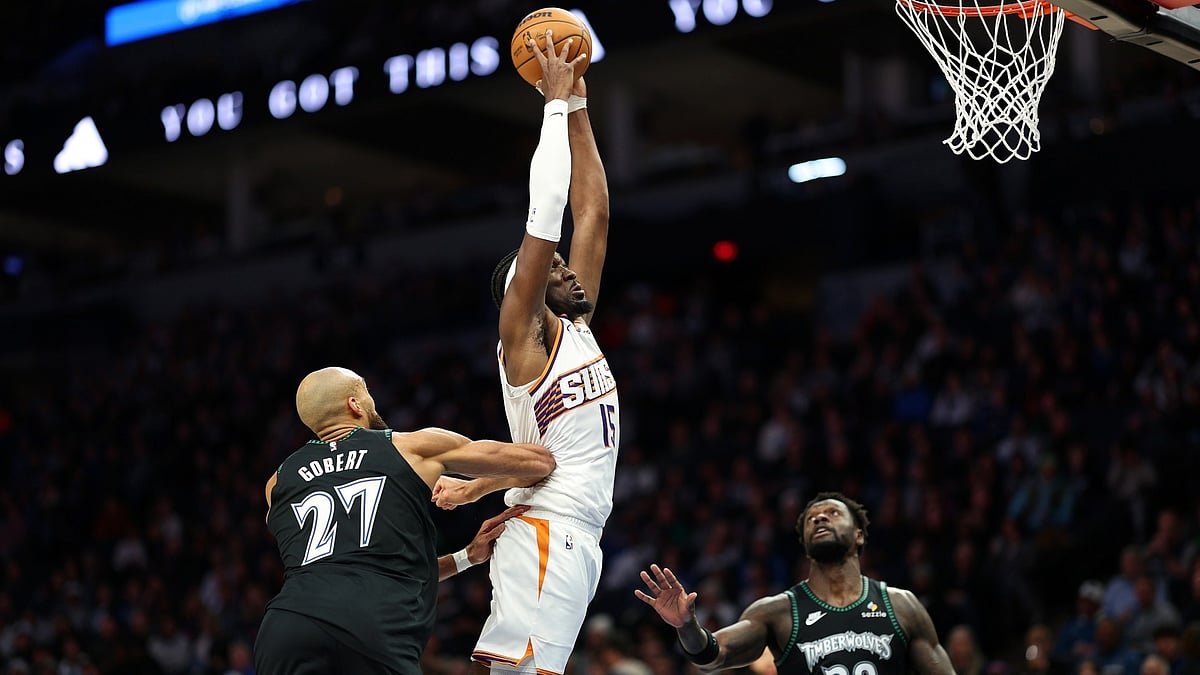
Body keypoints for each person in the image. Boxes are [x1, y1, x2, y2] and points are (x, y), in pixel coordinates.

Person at [429, 31, 614, 675]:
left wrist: (580, 103)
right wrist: (553, 105)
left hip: (573, 534)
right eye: (551, 267)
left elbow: (593, 213)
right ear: (525, 290)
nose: (565, 267)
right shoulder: (523, 340)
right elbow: (549, 213)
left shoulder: (576, 326)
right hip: (547, 529)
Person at [253, 366, 558, 675]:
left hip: (285, 630)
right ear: (354, 404)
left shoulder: (277, 482)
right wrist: (471, 490)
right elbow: (538, 463)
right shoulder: (410, 447)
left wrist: (466, 556)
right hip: (368, 625)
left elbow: (362, 567)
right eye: (366, 392)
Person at [636, 492, 954, 675]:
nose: (820, 518)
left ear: (859, 534)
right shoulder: (776, 612)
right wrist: (687, 626)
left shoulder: (901, 606)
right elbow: (711, 656)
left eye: (833, 513)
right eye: (812, 519)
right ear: (804, 542)